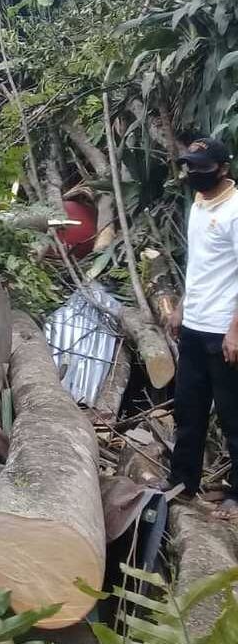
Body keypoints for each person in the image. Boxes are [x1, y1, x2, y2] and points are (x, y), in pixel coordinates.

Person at [165, 137, 238, 521]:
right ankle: (183, 482)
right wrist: (180, 307)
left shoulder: (235, 209)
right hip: (194, 326)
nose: (193, 173)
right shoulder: (198, 203)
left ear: (223, 168)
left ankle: (237, 496)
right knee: (188, 410)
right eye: (189, 167)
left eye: (202, 167)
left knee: (233, 416)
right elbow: (199, 265)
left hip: (223, 331)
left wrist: (234, 331)